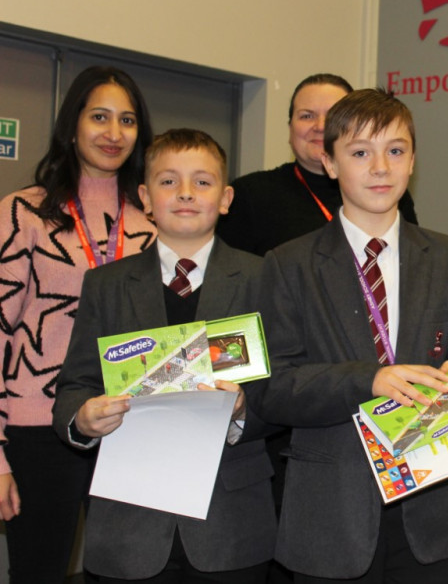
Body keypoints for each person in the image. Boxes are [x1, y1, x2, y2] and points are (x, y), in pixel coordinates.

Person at [248, 88, 448, 582]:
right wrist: (369, 381)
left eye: (395, 150)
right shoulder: (289, 264)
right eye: (360, 152)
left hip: (432, 508)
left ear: (413, 160)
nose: (380, 166)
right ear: (330, 162)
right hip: (331, 510)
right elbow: (272, 390)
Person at [52, 129, 276, 582]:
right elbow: (75, 386)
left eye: (203, 181)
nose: (187, 193)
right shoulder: (107, 284)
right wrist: (82, 418)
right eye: (169, 181)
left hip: (230, 523)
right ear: (145, 197)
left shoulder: (266, 278)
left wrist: (243, 410)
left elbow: (289, 389)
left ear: (226, 197)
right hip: (128, 524)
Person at [0, 65, 157, 583]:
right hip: (37, 428)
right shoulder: (24, 213)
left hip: (130, 424)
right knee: (40, 571)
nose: (114, 134)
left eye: (128, 120)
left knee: (127, 571)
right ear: (72, 126)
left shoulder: (154, 223)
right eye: (100, 117)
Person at [217, 73, 417, 256]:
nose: (321, 126)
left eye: (332, 115)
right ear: (289, 128)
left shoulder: (383, 190)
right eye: (307, 116)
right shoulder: (250, 194)